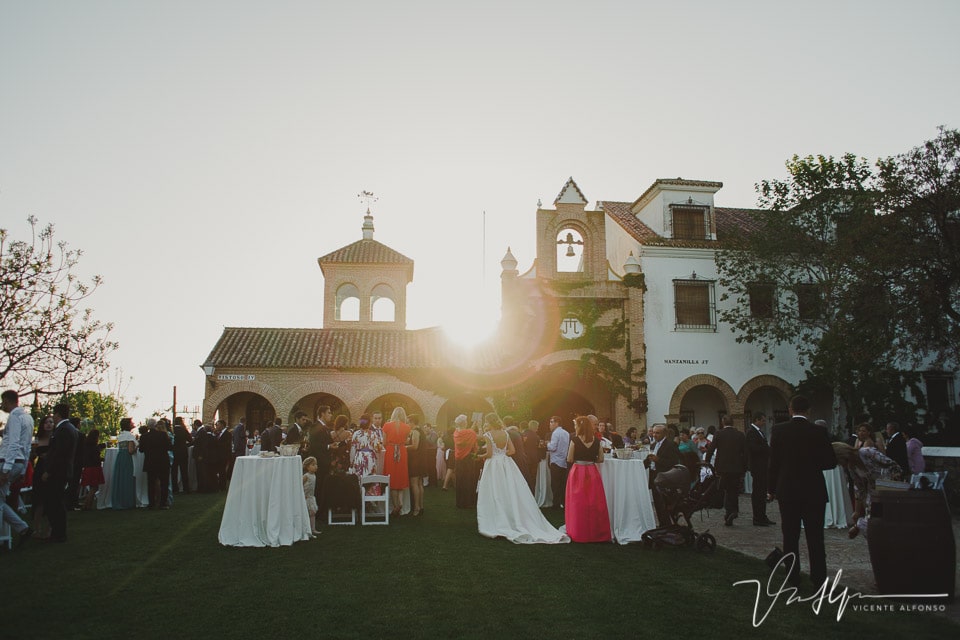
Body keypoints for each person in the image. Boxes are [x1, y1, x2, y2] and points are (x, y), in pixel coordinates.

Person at [768, 395, 837, 588]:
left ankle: (793, 577)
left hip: (788, 489)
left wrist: (771, 489)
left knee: (790, 536)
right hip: (813, 489)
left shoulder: (779, 430)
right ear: (809, 411)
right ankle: (819, 579)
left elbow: (773, 463)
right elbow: (830, 462)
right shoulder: (818, 431)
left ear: (791, 410)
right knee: (815, 537)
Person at [476, 412, 569, 544]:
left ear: (489, 422)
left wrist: (480, 457)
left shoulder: (488, 435)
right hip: (506, 463)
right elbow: (512, 451)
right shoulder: (505, 433)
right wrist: (502, 454)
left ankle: (496, 518)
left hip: (493, 465)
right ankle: (512, 517)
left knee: (494, 490)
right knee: (510, 490)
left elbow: (490, 453)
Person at [564, 416, 611, 543]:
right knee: (594, 502)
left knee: (578, 502)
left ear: (579, 427)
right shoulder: (596, 441)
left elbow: (569, 458)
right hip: (592, 471)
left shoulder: (574, 440)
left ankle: (578, 532)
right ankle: (596, 532)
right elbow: (601, 459)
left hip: (578, 471)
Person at [0, 390, 35, 546]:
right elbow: (26, 446)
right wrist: (22, 470)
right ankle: (23, 528)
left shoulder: (14, 417)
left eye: (3, 402)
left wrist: (6, 469)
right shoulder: (28, 418)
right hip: (19, 462)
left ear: (7, 401)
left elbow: (13, 443)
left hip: (8, 462)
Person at [44, 403, 79, 542]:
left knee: (54, 502)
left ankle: (58, 533)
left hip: (58, 472)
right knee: (57, 502)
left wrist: (48, 471)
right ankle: (58, 532)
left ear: (57, 414)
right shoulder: (70, 428)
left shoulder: (63, 429)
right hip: (64, 470)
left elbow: (58, 453)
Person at [707, 415, 747, 526]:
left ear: (723, 422)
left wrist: (707, 461)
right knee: (733, 490)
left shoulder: (719, 434)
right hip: (736, 467)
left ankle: (729, 511)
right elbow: (745, 452)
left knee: (724, 489)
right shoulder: (740, 435)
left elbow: (711, 449)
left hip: (722, 467)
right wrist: (744, 467)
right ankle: (733, 510)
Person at [645, 423, 681, 525]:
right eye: (654, 433)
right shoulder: (653, 445)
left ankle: (668, 525)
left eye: (658, 433)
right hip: (654, 476)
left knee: (664, 504)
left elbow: (674, 462)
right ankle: (662, 524)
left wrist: (658, 460)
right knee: (657, 503)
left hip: (665, 478)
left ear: (664, 434)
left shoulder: (670, 445)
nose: (654, 435)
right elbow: (649, 460)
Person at [745, 413, 775, 526]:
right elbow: (753, 448)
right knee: (758, 492)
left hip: (762, 466)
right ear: (756, 420)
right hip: (757, 466)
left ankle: (762, 515)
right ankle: (757, 517)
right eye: (762, 420)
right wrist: (766, 449)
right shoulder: (751, 432)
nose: (763, 423)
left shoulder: (759, 432)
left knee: (762, 492)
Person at [382, 407, 411, 515]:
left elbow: (384, 442)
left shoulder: (386, 425)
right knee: (401, 478)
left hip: (390, 451)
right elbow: (406, 440)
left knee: (392, 478)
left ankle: (395, 506)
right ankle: (400, 503)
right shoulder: (407, 427)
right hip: (402, 452)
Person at [140, 417, 173, 509]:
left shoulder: (144, 436)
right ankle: (163, 503)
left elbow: (141, 450)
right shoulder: (163, 435)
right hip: (163, 461)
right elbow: (169, 447)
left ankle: (151, 503)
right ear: (155, 425)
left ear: (148, 426)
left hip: (150, 462)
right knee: (164, 483)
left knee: (151, 484)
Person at [31, 415, 56, 534]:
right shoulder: (37, 438)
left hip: (51, 469)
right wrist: (33, 452)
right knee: (39, 499)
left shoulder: (55, 438)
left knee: (50, 499)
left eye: (51, 422)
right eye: (46, 422)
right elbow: (32, 456)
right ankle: (36, 527)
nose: (49, 424)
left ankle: (50, 528)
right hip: (40, 468)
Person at [112, 418, 138, 509]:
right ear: (128, 425)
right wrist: (137, 446)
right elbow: (130, 451)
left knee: (121, 477)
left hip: (120, 457)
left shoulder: (121, 435)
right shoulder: (130, 436)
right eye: (131, 422)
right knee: (128, 478)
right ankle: (127, 501)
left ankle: (120, 499)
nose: (133, 423)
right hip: (127, 458)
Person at [453, 415, 478, 507]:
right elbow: (475, 435)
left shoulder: (456, 433)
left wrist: (473, 425)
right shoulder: (470, 433)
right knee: (469, 479)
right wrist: (477, 425)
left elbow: (468, 432)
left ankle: (460, 502)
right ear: (465, 423)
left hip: (458, 458)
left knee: (460, 479)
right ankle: (469, 502)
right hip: (468, 458)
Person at [545, 416, 570, 510]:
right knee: (563, 484)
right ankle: (563, 503)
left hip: (555, 461)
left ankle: (556, 505)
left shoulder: (555, 433)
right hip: (563, 461)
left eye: (551, 422)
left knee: (555, 484)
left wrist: (547, 444)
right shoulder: (566, 433)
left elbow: (552, 447)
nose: (550, 424)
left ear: (556, 423)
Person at [348, 413, 382, 481]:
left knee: (359, 477)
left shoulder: (356, 433)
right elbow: (378, 449)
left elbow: (353, 449)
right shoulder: (373, 434)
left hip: (359, 457)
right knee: (370, 478)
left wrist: (351, 461)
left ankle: (359, 490)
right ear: (369, 423)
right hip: (370, 458)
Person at [80, 428, 106, 510]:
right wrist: (102, 459)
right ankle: (86, 505)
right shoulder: (94, 447)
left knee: (92, 487)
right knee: (94, 488)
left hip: (87, 467)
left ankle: (87, 505)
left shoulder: (86, 446)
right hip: (94, 468)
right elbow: (95, 458)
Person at [406, 414, 426, 516]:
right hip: (420, 460)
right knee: (419, 483)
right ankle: (421, 506)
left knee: (414, 483)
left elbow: (414, 446)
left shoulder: (415, 432)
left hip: (415, 461)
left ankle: (416, 507)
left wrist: (403, 447)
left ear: (412, 422)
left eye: (408, 422)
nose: (407, 424)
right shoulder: (420, 431)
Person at [172, 417, 193, 493]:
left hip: (174, 452)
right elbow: (190, 440)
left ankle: (175, 488)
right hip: (183, 452)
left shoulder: (172, 430)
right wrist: (186, 445)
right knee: (184, 471)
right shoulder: (184, 430)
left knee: (174, 471)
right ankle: (186, 488)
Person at [521, 420, 541, 493]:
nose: (538, 428)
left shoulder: (523, 434)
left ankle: (526, 493)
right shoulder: (537, 436)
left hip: (525, 458)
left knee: (525, 476)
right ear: (535, 427)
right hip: (534, 458)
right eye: (537, 427)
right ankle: (533, 493)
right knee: (533, 477)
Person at [302, 456, 321, 536]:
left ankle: (313, 529)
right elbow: (300, 486)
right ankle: (306, 529)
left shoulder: (314, 475)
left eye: (316, 464)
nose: (315, 466)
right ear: (307, 467)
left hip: (311, 497)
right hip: (306, 497)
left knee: (312, 513)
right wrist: (303, 495)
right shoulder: (306, 476)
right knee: (306, 513)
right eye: (313, 465)